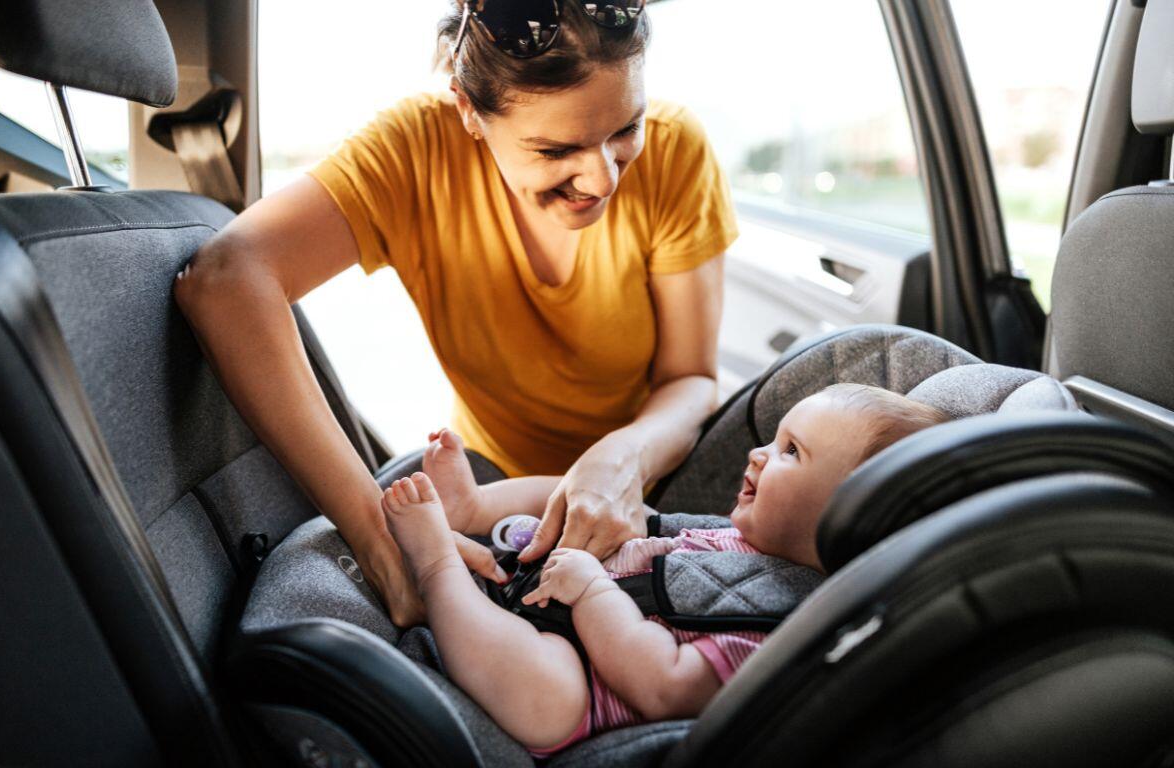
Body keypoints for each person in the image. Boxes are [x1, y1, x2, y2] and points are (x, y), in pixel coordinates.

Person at [174, 0, 737, 627]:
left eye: (625, 130)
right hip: (497, 483)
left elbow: (690, 378)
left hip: (660, 469)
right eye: (555, 150)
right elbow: (225, 280)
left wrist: (621, 458)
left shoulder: (679, 147)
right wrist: (377, 539)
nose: (602, 178)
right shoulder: (415, 151)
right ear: (469, 111)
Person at [381, 384, 950, 754]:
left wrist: (593, 593)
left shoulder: (784, 627)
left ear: (845, 519)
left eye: (791, 453)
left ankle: (434, 567)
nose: (758, 454)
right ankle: (474, 508)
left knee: (547, 701)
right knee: (618, 504)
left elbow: (665, 685)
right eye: (775, 441)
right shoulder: (737, 538)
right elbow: (647, 535)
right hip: (559, 588)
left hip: (588, 691)